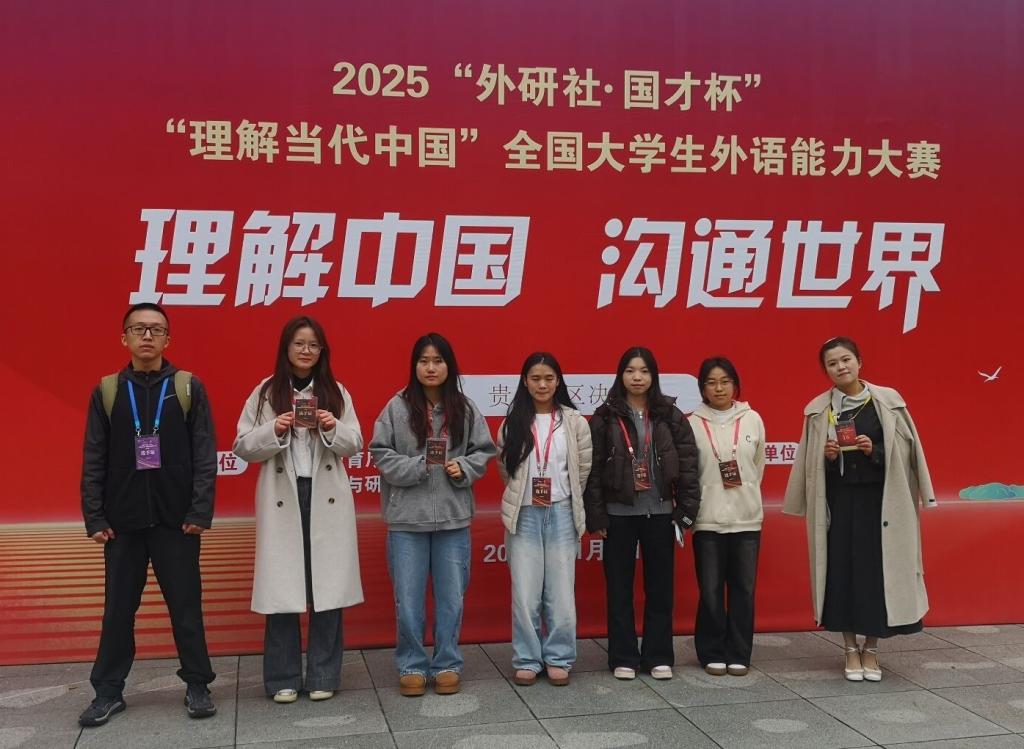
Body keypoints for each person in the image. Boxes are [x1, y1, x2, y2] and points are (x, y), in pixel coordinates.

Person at [79, 302, 217, 726]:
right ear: (124, 338)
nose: (146, 336)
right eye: (138, 328)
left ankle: (197, 685)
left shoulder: (187, 386)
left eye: (156, 329)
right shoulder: (107, 391)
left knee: (186, 609)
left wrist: (199, 511)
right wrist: (95, 517)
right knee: (118, 612)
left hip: (178, 522)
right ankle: (107, 692)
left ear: (167, 339)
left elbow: (204, 454)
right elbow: (94, 456)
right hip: (122, 525)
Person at [783, 336, 936, 682]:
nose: (840, 367)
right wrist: (826, 457)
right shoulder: (818, 410)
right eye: (832, 363)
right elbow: (808, 463)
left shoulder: (888, 402)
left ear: (859, 361)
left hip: (880, 506)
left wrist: (874, 451)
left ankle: (872, 649)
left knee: (878, 577)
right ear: (825, 370)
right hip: (840, 506)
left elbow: (908, 455)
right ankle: (850, 649)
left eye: (846, 360)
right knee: (841, 575)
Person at [233, 316, 364, 703]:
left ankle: (324, 675)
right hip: (283, 497)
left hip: (326, 497)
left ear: (322, 351)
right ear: (286, 348)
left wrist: (331, 426)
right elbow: (242, 446)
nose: (306, 351)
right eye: (299, 343)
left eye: (313, 345)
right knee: (283, 590)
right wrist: (273, 429)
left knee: (327, 589)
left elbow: (355, 443)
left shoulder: (335, 391)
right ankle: (283, 678)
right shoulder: (265, 392)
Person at [369, 333, 496, 697]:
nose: (430, 368)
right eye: (423, 361)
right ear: (414, 366)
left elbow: (484, 450)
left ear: (448, 366)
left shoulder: (465, 408)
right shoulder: (396, 407)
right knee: (408, 601)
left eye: (437, 361)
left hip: (453, 520)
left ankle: (447, 663)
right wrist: (419, 466)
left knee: (451, 598)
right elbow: (380, 452)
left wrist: (464, 467)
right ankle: (411, 663)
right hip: (407, 521)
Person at [583, 347, 700, 681]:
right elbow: (591, 470)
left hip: (660, 513)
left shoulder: (669, 415)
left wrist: (685, 512)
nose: (637, 377)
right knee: (619, 590)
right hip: (618, 515)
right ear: (620, 375)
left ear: (653, 376)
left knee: (660, 589)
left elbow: (689, 465)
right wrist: (597, 516)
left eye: (644, 371)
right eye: (631, 371)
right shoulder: (604, 417)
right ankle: (623, 656)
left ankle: (658, 655)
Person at [497, 352, 593, 687]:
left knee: (561, 592)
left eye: (548, 378)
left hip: (562, 511)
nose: (542, 384)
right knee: (525, 592)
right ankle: (527, 658)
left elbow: (583, 469)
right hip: (524, 513)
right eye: (535, 378)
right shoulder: (513, 422)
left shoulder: (574, 422)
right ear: (525, 382)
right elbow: (505, 469)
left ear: (558, 381)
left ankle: (559, 656)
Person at [688, 357, 765, 677]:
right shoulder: (692, 423)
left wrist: (746, 495)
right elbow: (690, 473)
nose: (718, 388)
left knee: (743, 589)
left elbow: (757, 466)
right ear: (702, 388)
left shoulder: (752, 419)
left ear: (735, 384)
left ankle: (739, 652)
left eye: (725, 381)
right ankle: (711, 651)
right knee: (710, 589)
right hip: (708, 518)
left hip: (747, 518)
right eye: (711, 382)